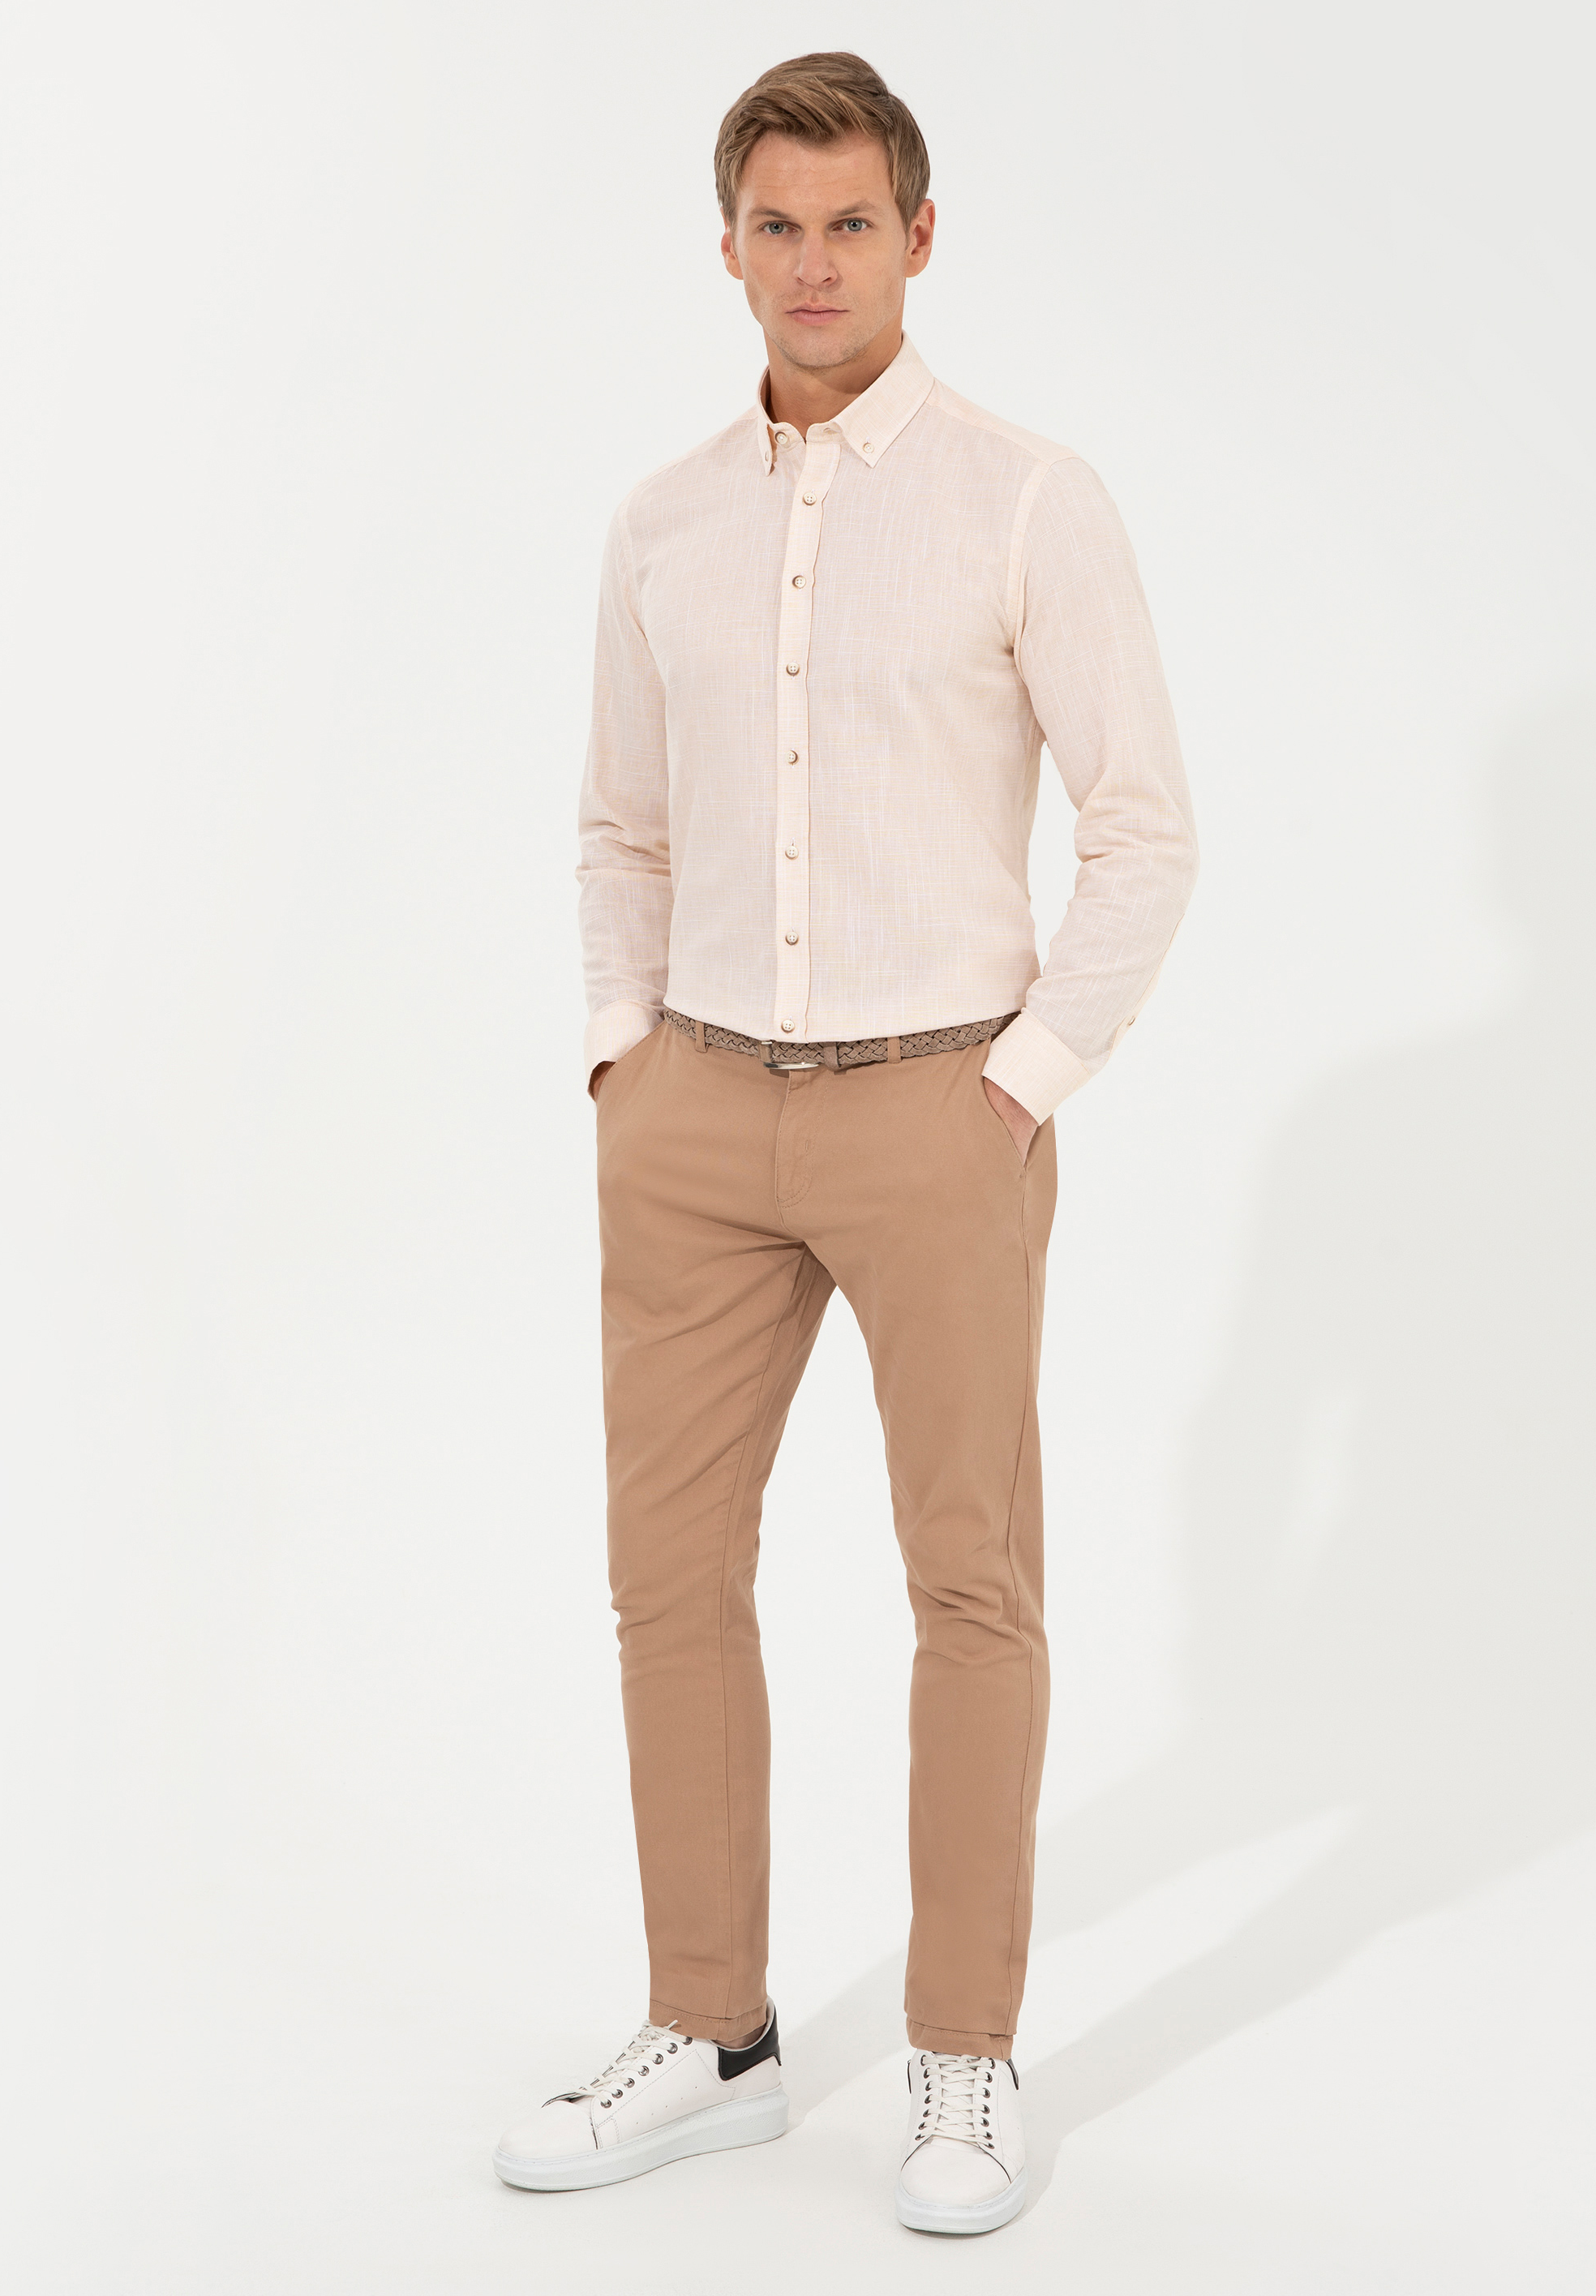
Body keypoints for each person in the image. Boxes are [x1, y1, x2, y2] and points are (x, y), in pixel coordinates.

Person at [494, 50, 1198, 2235]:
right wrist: (621, 1060)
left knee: (967, 1583)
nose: (814, 265)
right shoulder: (661, 522)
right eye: (776, 227)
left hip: (937, 1106)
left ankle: (965, 2054)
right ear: (726, 248)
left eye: (851, 223)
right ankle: (709, 2034)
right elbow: (620, 825)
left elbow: (1143, 828)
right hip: (694, 1113)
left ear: (918, 236)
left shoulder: (1026, 499)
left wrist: (1019, 1087)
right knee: (665, 1576)